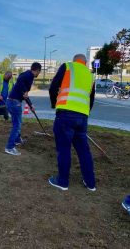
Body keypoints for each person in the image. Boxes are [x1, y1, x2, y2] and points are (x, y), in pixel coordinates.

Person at [48, 54, 96, 191]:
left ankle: (62, 181)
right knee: (84, 151)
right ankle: (90, 183)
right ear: (85, 63)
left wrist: (54, 104)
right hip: (82, 117)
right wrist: (85, 113)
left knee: (64, 149)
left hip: (65, 114)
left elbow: (53, 88)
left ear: (75, 60)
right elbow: (91, 99)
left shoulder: (68, 66)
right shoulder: (90, 75)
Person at [5, 62, 41, 156]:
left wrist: (30, 104)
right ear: (37, 70)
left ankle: (17, 140)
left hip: (12, 101)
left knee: (17, 122)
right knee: (17, 125)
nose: (38, 74)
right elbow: (21, 82)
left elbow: (24, 91)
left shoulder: (27, 74)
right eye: (39, 72)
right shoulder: (29, 76)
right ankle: (9, 147)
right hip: (14, 102)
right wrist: (24, 91)